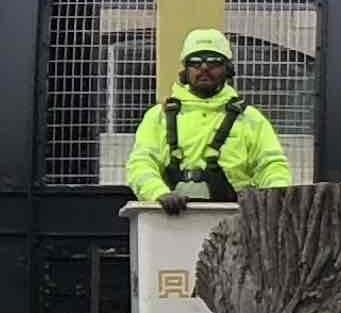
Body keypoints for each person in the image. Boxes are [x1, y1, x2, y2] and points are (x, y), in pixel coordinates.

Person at [125, 30, 292, 214]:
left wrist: (275, 200)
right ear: (185, 70)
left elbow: (272, 165)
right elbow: (141, 163)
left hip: (234, 219)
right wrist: (158, 193)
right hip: (169, 220)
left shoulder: (250, 118)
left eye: (213, 61)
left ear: (228, 69)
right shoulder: (160, 116)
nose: (204, 68)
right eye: (195, 62)